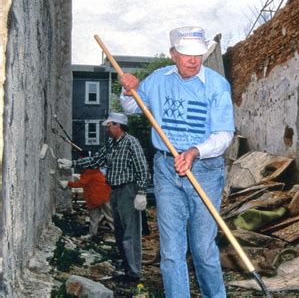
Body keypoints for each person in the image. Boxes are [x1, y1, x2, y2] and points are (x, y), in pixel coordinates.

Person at [120, 26, 234, 298]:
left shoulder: (217, 85)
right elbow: (133, 108)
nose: (194, 61)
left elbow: (224, 135)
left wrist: (194, 152)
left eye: (198, 54)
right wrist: (129, 91)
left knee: (203, 248)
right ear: (173, 54)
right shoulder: (159, 80)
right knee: (171, 252)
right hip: (166, 168)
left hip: (205, 169)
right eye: (186, 54)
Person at [58, 112, 149, 283]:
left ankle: (134, 273)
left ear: (118, 125)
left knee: (131, 233)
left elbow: (142, 168)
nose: (107, 129)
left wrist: (141, 192)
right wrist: (73, 163)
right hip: (113, 191)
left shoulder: (131, 142)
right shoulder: (111, 144)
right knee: (120, 232)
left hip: (128, 191)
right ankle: (127, 268)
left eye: (109, 125)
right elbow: (96, 161)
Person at [59, 152, 114, 239]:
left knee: (107, 217)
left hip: (102, 196)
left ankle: (119, 235)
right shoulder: (92, 169)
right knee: (99, 217)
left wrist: (67, 183)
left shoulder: (90, 171)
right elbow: (86, 181)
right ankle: (93, 234)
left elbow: (82, 183)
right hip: (97, 197)